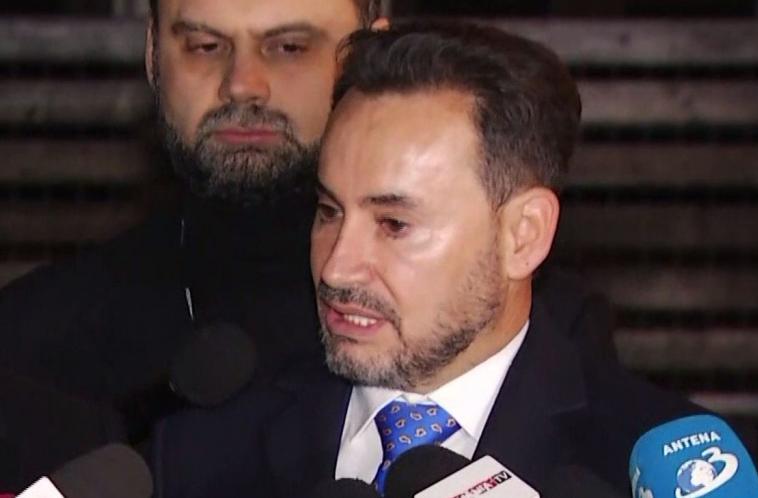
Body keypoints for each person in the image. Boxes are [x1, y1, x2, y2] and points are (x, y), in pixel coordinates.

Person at [151, 21, 703, 497]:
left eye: (394, 224)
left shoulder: (654, 467)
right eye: (328, 211)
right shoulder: (205, 451)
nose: (337, 268)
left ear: (523, 236)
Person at [0, 0, 384, 489]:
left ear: (372, 56)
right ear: (153, 56)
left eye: (289, 47)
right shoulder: (28, 349)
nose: (242, 84)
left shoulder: (459, 336)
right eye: (205, 46)